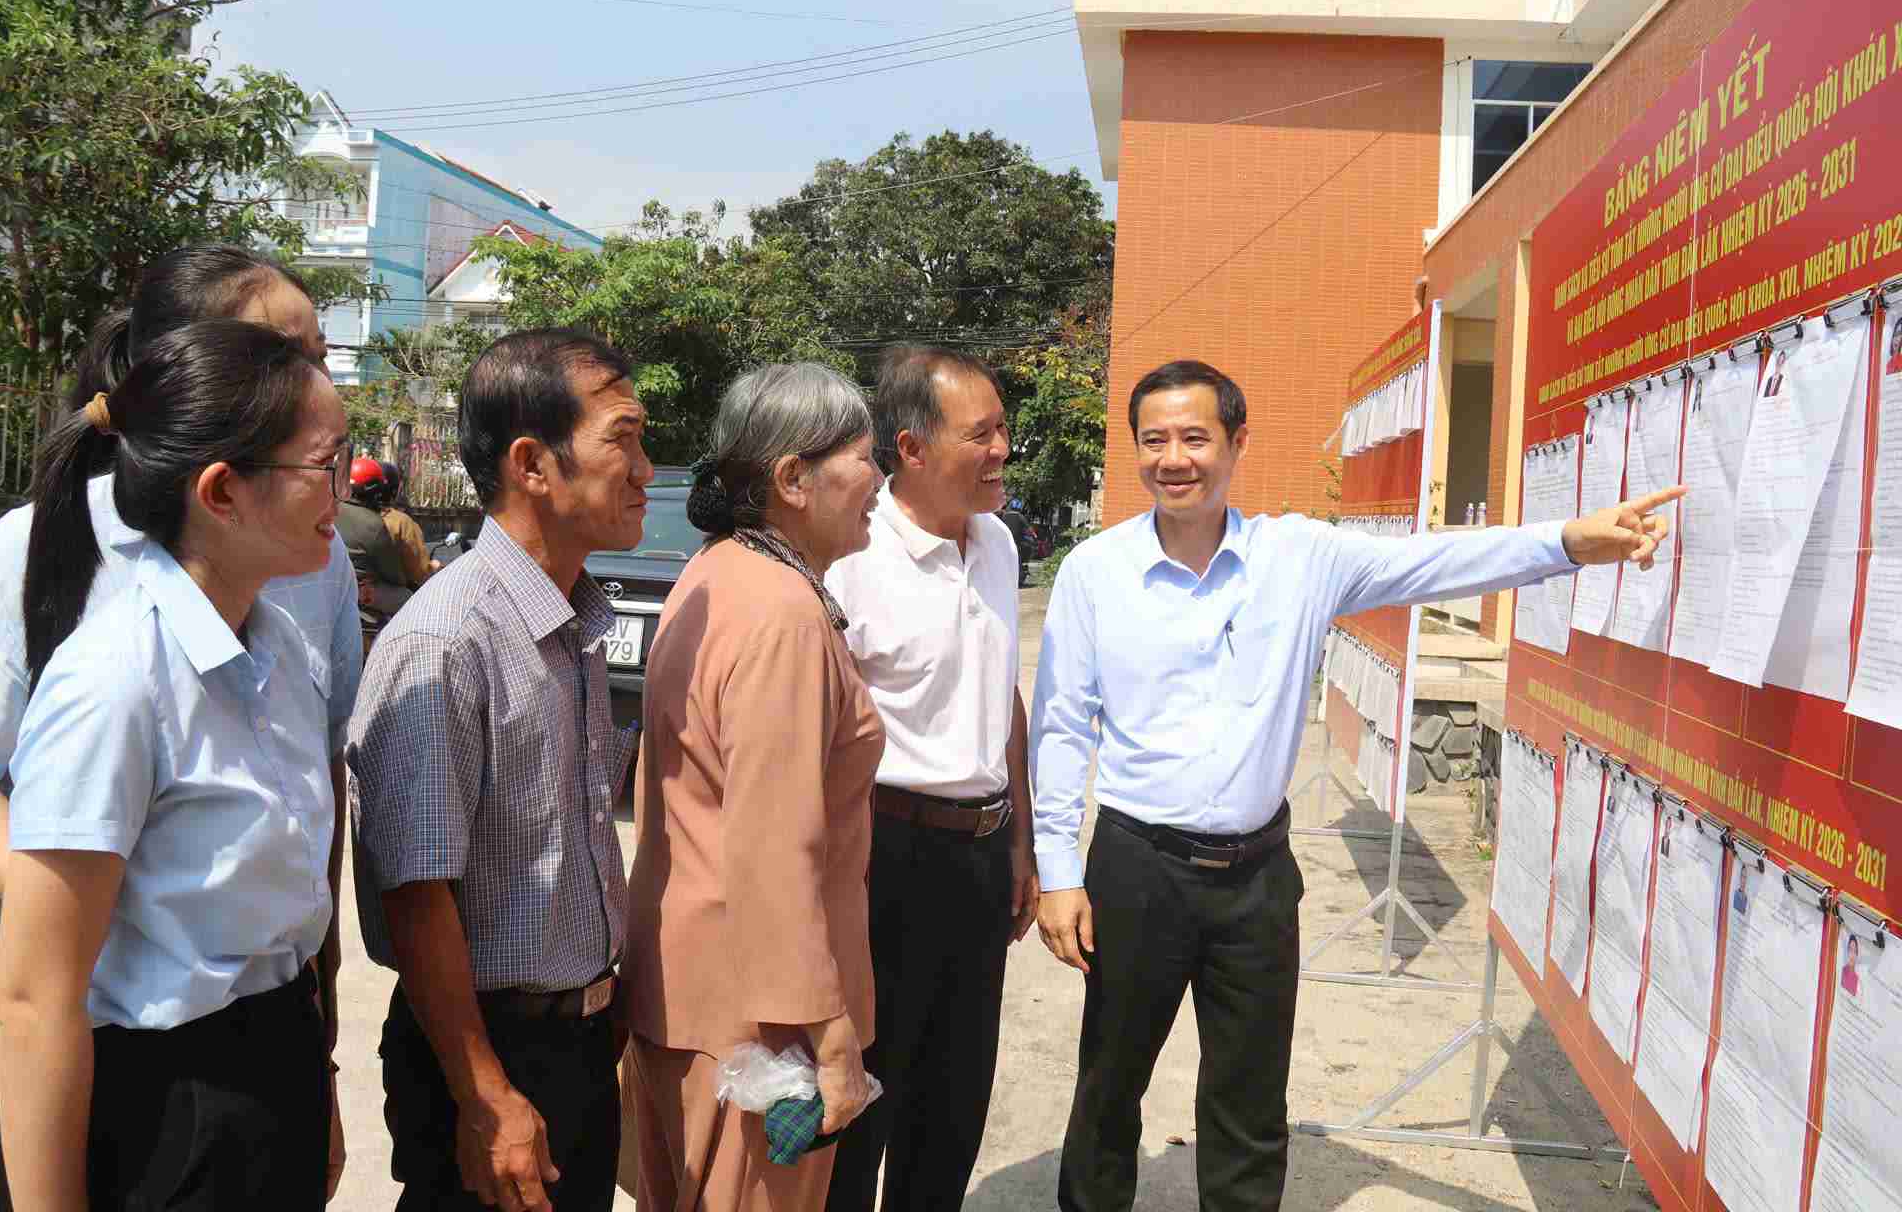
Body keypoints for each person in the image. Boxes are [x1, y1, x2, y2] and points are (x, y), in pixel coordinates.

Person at [1031, 359, 1685, 1212]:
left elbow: (1436, 563)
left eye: (1195, 437)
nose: (1174, 458)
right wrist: (1057, 872)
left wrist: (1567, 542)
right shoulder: (1095, 571)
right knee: (1109, 1086)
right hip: (1137, 869)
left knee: (1250, 1099)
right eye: (1154, 440)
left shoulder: (1300, 557)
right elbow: (1060, 725)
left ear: (1236, 444)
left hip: (1256, 880)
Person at [0, 243, 360, 1204]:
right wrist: (69, 878)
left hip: (263, 1060)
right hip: (153, 1095)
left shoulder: (278, 637)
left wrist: (309, 1076)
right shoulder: (115, 675)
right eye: (324, 469)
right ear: (221, 487)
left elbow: (296, 881)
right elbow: (35, 997)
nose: (346, 498)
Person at [348, 329, 650, 1212]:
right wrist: (485, 1098)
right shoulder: (448, 640)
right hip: (488, 1059)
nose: (644, 469)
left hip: (576, 1049)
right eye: (622, 438)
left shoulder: (570, 619)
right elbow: (416, 896)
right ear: (532, 463)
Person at [627, 362, 885, 1212]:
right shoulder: (779, 613)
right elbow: (777, 849)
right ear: (792, 479)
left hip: (701, 997)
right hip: (759, 1026)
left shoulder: (719, 572)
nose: (880, 478)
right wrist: (829, 1031)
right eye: (864, 456)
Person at [820, 346, 1039, 1212]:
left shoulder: (997, 543)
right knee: (860, 1099)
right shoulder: (854, 558)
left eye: (1002, 431)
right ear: (910, 449)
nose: (1001, 452)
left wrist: (1019, 837)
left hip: (979, 862)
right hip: (884, 856)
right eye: (980, 435)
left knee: (952, 1105)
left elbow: (999, 695)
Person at [338, 457, 417, 620]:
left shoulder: (331, 508)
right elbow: (395, 576)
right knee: (410, 599)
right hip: (360, 589)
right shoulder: (373, 523)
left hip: (335, 582)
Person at [377, 462, 436, 587]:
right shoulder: (402, 522)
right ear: (396, 490)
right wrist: (434, 567)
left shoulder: (343, 513)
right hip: (391, 592)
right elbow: (420, 573)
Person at [1842, 933, 1862, 998]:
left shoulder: (1857, 979)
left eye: (1855, 951)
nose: (1852, 955)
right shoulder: (1841, 971)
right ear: (1847, 951)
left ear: (1857, 955)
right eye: (1850, 950)